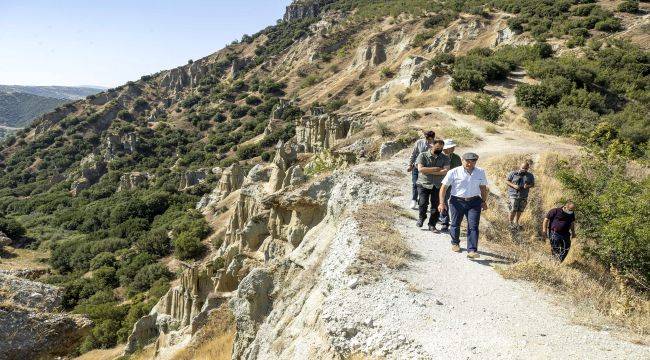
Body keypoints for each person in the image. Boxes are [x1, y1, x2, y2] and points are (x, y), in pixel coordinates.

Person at [438, 152, 488, 259]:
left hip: (474, 202)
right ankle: (455, 243)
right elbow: (443, 188)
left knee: (473, 226)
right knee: (455, 223)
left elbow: (483, 188)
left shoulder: (480, 172)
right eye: (467, 161)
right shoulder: (453, 172)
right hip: (457, 201)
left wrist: (484, 201)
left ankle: (472, 250)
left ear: (476, 162)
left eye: (472, 162)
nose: (469, 164)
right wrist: (442, 203)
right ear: (462, 160)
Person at [415, 139, 450, 232]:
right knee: (423, 203)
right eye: (438, 148)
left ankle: (432, 224)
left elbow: (445, 171)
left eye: (441, 148)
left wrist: (429, 171)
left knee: (435, 205)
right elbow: (420, 169)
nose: (440, 150)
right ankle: (421, 218)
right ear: (432, 146)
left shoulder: (445, 158)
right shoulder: (423, 155)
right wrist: (436, 169)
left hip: (437, 185)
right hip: (423, 183)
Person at [408, 130, 436, 210]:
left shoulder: (436, 144)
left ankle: (422, 201)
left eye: (429, 139)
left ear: (433, 138)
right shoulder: (419, 142)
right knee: (415, 183)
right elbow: (414, 153)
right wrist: (410, 164)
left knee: (424, 186)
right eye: (426, 138)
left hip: (427, 169)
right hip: (417, 166)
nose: (427, 140)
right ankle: (414, 199)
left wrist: (433, 148)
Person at [438, 139, 462, 231]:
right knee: (439, 200)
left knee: (446, 200)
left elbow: (460, 170)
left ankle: (445, 222)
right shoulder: (438, 156)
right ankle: (440, 217)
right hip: (439, 182)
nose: (453, 149)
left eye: (453, 147)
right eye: (451, 147)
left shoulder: (456, 157)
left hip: (452, 183)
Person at [505, 161, 535, 229]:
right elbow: (507, 181)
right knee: (513, 209)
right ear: (520, 166)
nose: (524, 169)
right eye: (523, 168)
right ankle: (510, 223)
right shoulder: (513, 173)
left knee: (520, 210)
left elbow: (533, 184)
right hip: (513, 195)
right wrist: (514, 186)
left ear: (528, 168)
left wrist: (528, 186)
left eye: (526, 168)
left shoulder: (530, 175)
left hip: (523, 195)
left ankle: (516, 223)